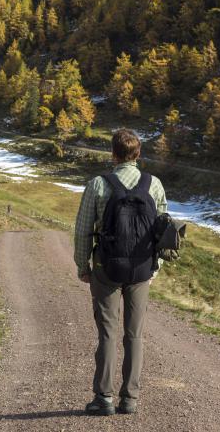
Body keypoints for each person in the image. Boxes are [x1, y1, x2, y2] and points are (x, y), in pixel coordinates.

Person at [74, 128, 167, 416]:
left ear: (113, 154)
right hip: (141, 269)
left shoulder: (98, 185)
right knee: (134, 335)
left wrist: (83, 267)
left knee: (107, 334)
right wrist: (156, 266)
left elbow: (83, 231)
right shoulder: (154, 184)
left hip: (106, 268)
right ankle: (130, 399)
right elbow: (164, 229)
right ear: (138, 154)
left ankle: (103, 398)